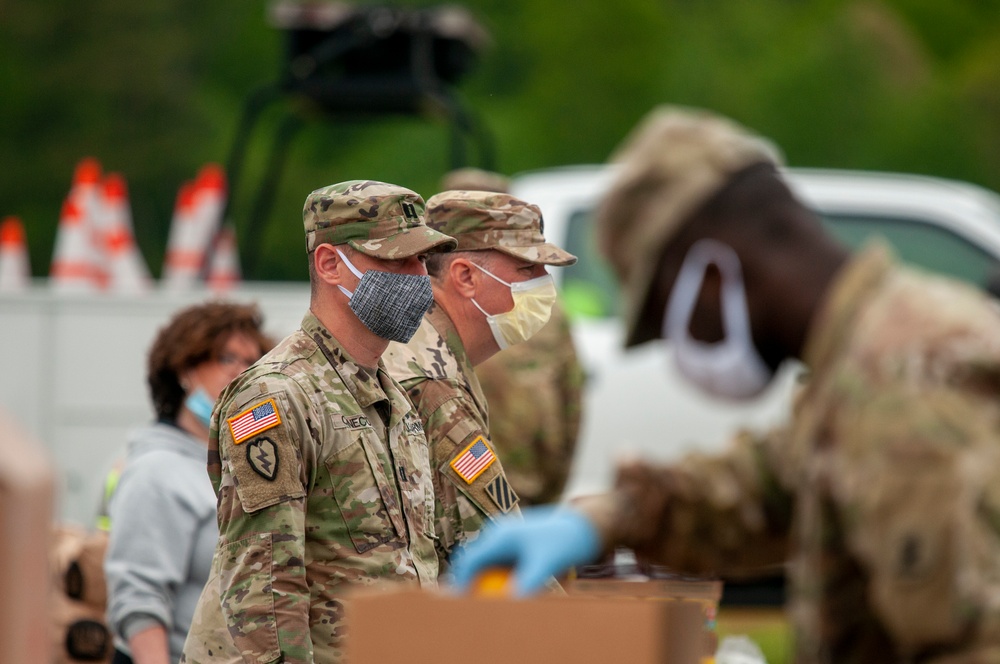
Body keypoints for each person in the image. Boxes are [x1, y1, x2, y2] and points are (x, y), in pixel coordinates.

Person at [450, 106, 1000, 662]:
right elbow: (769, 484)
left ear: (711, 276)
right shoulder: (861, 369)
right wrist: (599, 520)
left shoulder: (909, 391)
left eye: (666, 316)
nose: (673, 343)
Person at [180, 180, 456, 664]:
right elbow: (264, 583)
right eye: (397, 261)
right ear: (330, 263)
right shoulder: (276, 396)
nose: (418, 279)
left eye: (422, 262)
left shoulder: (394, 398)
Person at [382, 189, 577, 561]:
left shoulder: (429, 350)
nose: (543, 282)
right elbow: (495, 538)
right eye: (527, 269)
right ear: (466, 277)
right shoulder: (434, 384)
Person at [104, 302, 272, 664]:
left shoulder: (244, 464)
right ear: (185, 368)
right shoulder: (157, 470)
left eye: (252, 362)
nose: (242, 374)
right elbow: (139, 598)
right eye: (227, 359)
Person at [440, 168, 586, 508]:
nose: (540, 280)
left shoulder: (545, 312)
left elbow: (571, 396)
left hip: (516, 495)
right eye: (526, 267)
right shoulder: (419, 335)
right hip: (469, 505)